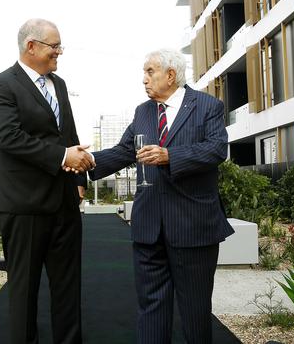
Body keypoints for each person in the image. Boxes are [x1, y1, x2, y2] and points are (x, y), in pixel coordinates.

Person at [87, 48, 234, 343]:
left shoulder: (208, 106)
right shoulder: (143, 112)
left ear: (170, 75)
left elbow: (217, 149)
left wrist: (170, 155)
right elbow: (123, 152)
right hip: (148, 226)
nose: (143, 79)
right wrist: (83, 165)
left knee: (194, 311)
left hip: (193, 226)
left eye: (149, 71)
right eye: (143, 72)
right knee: (151, 307)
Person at [0, 18, 94, 344]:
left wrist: (80, 178)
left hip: (64, 203)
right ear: (31, 46)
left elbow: (68, 133)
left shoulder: (58, 84)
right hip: (23, 205)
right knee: (25, 290)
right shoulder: (1, 84)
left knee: (67, 288)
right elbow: (9, 138)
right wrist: (62, 157)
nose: (59, 52)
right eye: (54, 46)